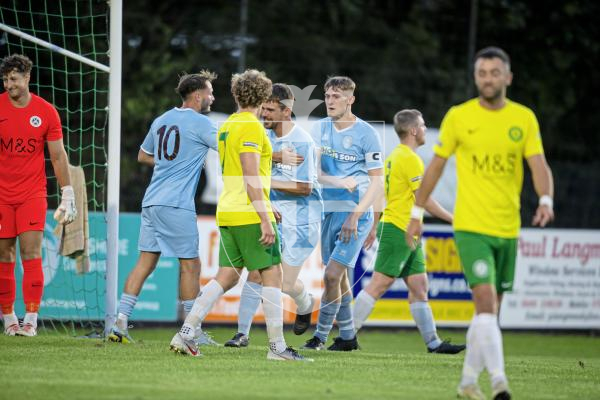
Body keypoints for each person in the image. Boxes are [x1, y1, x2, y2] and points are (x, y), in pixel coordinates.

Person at [406, 47, 554, 400]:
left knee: (489, 312)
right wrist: (416, 213)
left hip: (507, 228)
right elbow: (436, 166)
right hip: (471, 226)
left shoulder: (524, 118)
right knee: (486, 303)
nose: (488, 79)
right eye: (482, 73)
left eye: (494, 72)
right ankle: (500, 383)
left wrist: (546, 199)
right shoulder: (460, 116)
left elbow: (539, 166)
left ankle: (467, 382)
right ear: (476, 78)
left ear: (508, 77)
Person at [170, 70, 310, 361]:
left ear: (235, 95)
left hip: (229, 210)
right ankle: (277, 349)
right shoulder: (252, 127)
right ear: (263, 97)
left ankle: (185, 334)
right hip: (248, 212)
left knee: (227, 277)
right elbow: (251, 175)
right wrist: (263, 215)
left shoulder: (227, 125)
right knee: (273, 274)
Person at [108, 71, 219, 346]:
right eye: (210, 92)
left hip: (152, 201)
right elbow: (231, 148)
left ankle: (120, 322)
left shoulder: (162, 119)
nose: (212, 97)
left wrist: (171, 162)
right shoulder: (200, 123)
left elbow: (142, 156)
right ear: (197, 96)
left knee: (145, 262)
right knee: (190, 265)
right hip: (176, 204)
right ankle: (191, 330)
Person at [354, 109, 465, 354]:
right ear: (413, 130)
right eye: (423, 125)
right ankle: (346, 335)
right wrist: (453, 219)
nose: (425, 129)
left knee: (419, 285)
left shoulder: (394, 156)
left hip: (402, 228)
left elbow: (383, 194)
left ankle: (433, 343)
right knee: (379, 284)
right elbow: (423, 199)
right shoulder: (411, 159)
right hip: (399, 228)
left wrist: (374, 225)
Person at [224, 83, 322, 348]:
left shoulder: (302, 141)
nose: (264, 114)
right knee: (258, 272)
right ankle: (241, 333)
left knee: (284, 282)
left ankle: (305, 303)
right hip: (271, 215)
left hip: (302, 221)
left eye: (269, 110)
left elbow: (305, 188)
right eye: (263, 108)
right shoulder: (262, 135)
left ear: (286, 111)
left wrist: (263, 182)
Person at [302, 76, 384, 351]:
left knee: (332, 276)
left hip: (354, 215)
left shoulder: (367, 133)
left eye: (337, 96)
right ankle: (348, 337)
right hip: (327, 211)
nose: (330, 101)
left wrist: (363, 217)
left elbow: (377, 181)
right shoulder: (318, 129)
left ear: (351, 99)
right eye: (327, 95)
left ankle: (320, 337)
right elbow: (316, 173)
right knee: (340, 277)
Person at [0, 54, 76, 337]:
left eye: (14, 79)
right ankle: (8, 319)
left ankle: (30, 319)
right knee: (4, 255)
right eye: (6, 80)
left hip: (32, 194)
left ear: (27, 78)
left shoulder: (46, 112)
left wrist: (67, 193)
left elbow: (57, 155)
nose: (10, 85)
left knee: (31, 253)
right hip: (1, 196)